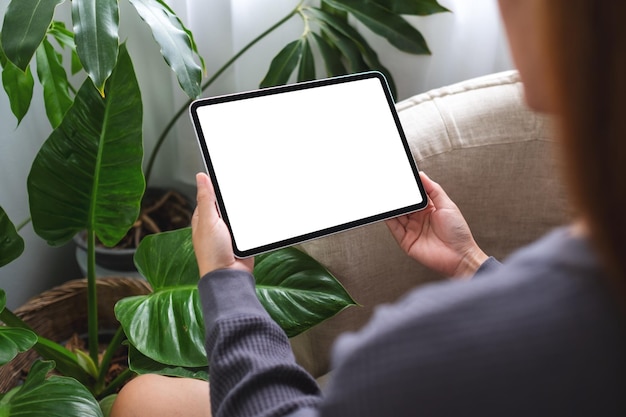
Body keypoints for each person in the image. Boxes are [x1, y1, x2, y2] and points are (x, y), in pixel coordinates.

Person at [111, 0, 626, 416]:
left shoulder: (414, 354)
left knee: (138, 401)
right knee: (145, 397)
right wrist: (471, 263)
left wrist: (225, 278)